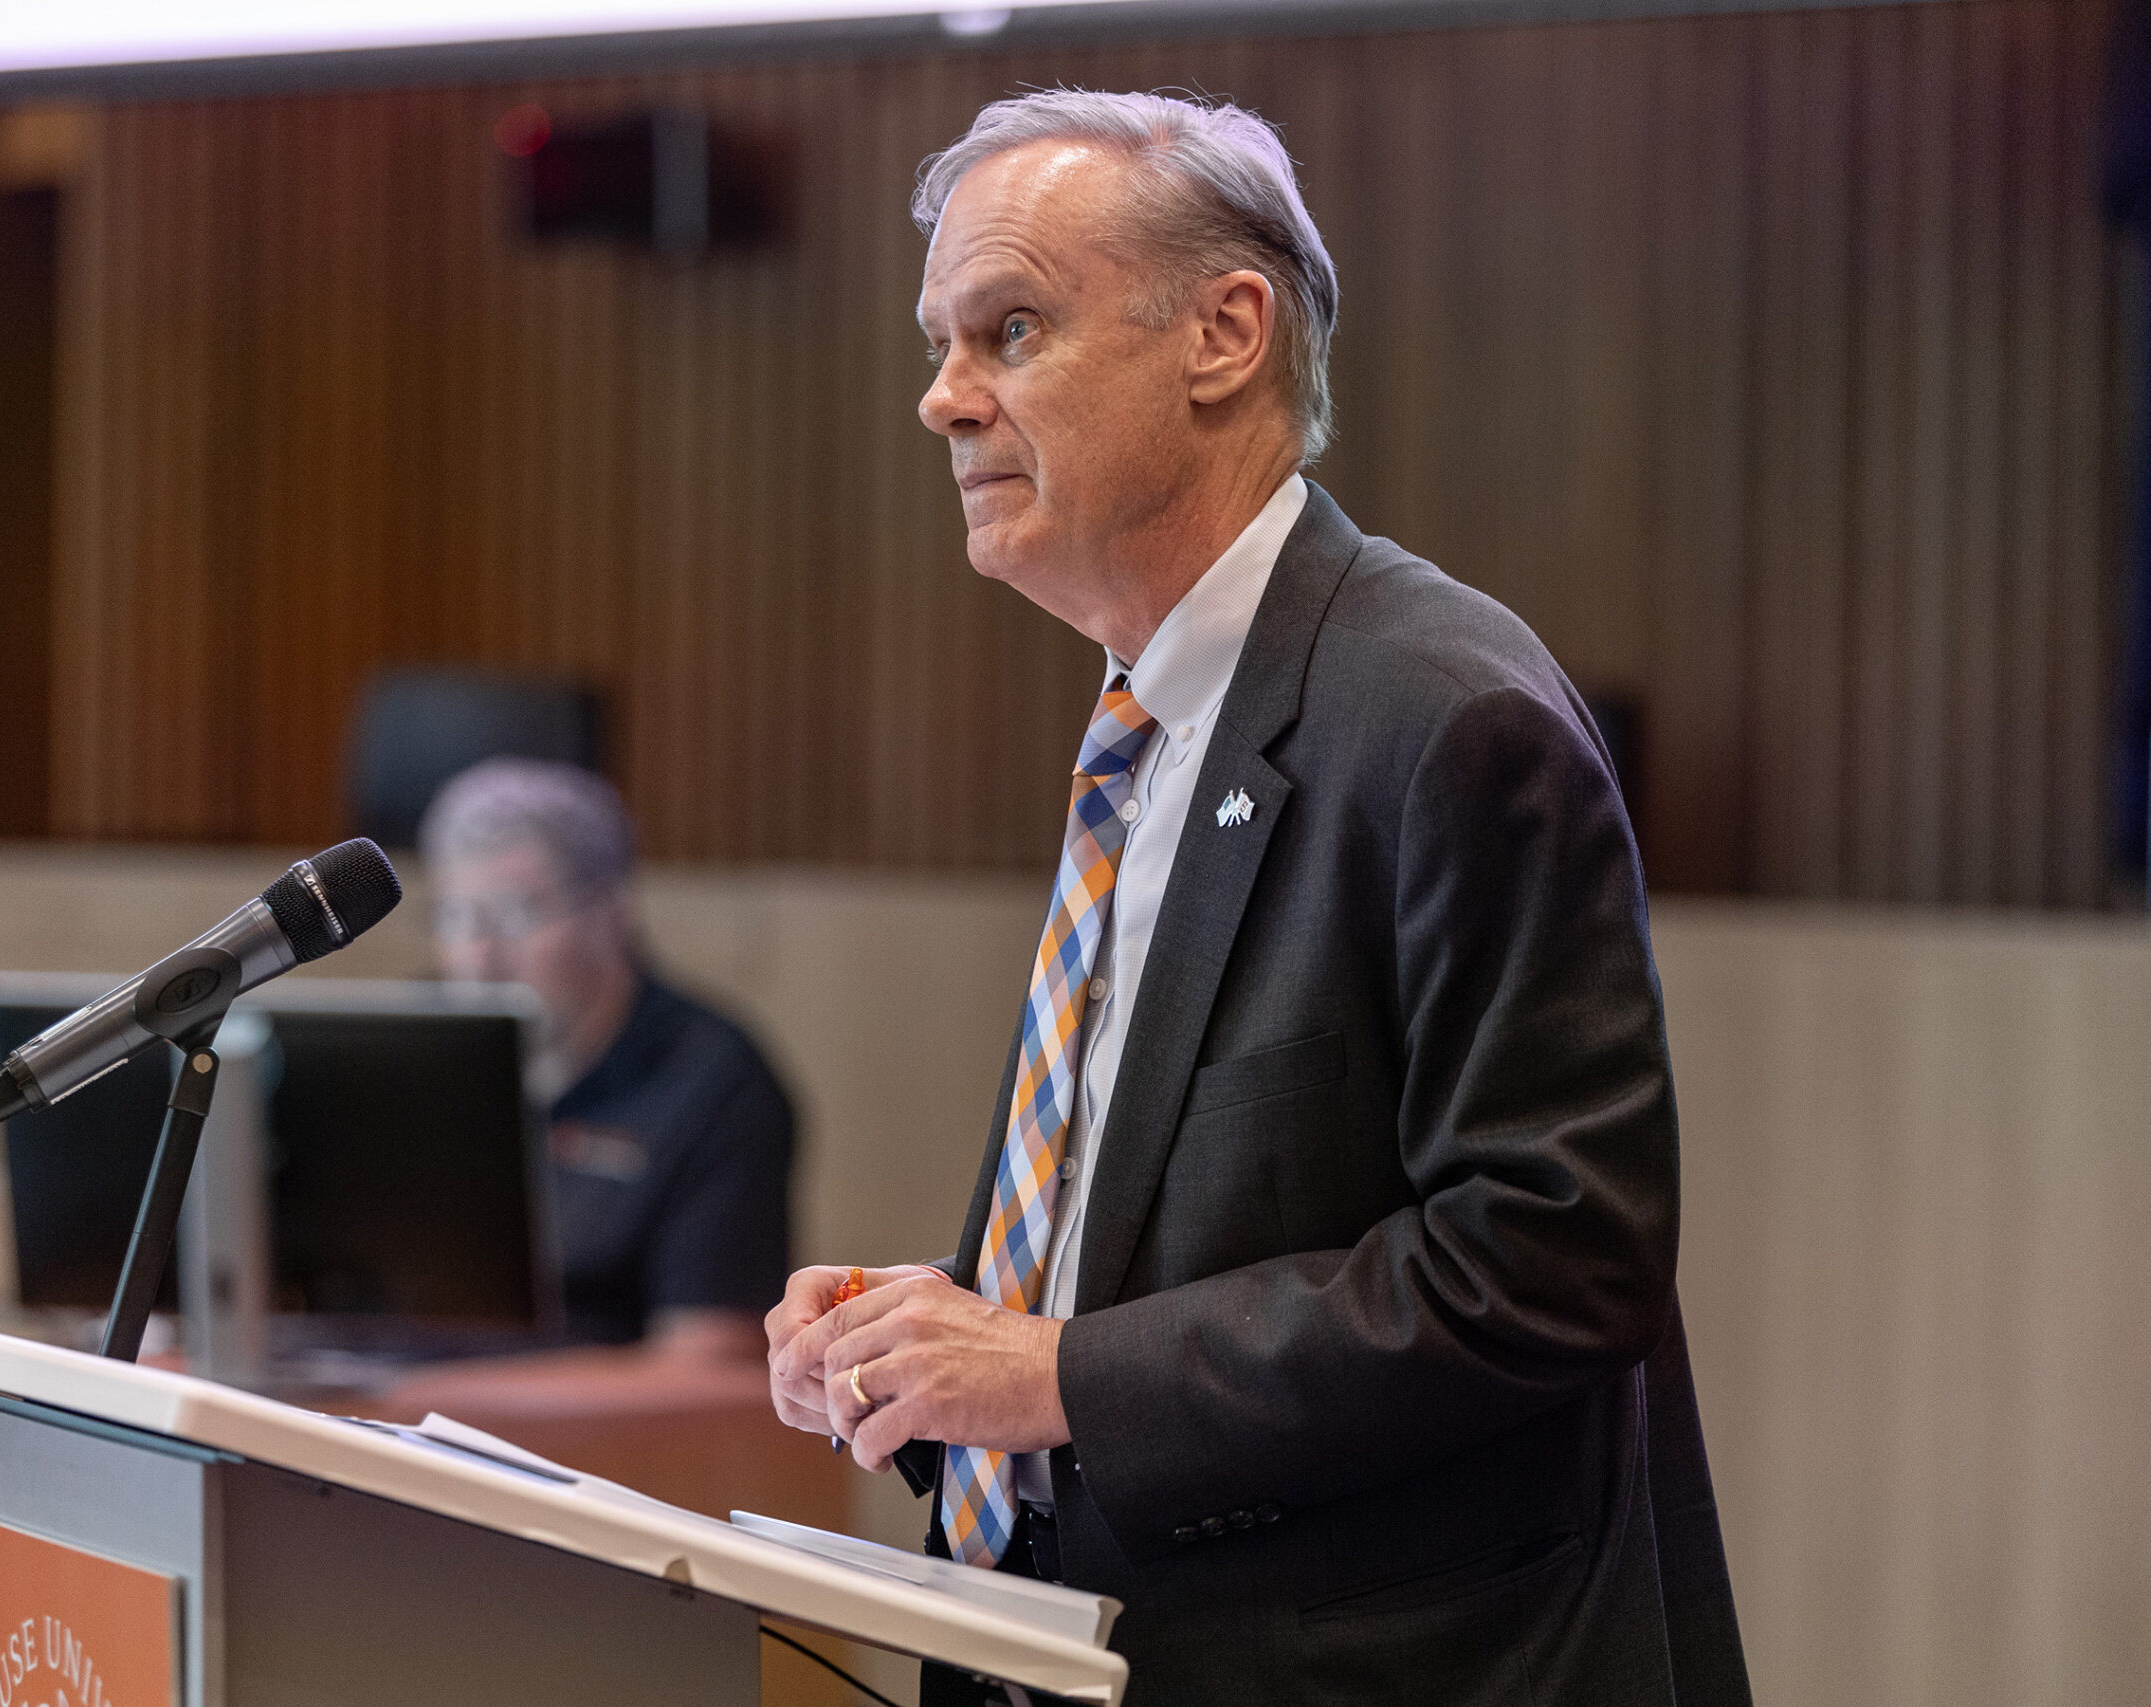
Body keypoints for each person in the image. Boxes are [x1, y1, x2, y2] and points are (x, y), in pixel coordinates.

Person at [765, 91, 1751, 1705]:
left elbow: (1552, 1258)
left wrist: (1061, 1370)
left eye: (1009, 329)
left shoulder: (1442, 714)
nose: (944, 399)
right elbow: (1184, 1208)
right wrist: (943, 1334)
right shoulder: (1150, 714)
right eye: (942, 344)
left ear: (1226, 332)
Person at [422, 756, 794, 1357]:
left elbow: (711, 1370)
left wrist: (431, 1398)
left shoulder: (714, 1078)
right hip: (371, 1420)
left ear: (611, 911)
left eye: (515, 915)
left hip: (589, 1444)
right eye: (457, 917)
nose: (480, 957)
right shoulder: (407, 1043)